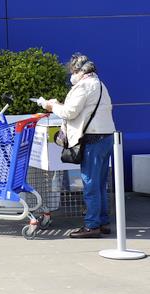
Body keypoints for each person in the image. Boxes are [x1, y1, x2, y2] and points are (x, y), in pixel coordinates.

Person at [41, 53, 115, 238]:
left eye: (73, 71)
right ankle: (102, 222)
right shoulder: (100, 84)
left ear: (79, 70)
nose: (71, 75)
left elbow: (69, 112)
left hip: (92, 139)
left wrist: (51, 106)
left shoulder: (84, 86)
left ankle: (92, 226)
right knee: (99, 184)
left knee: (90, 184)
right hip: (106, 137)